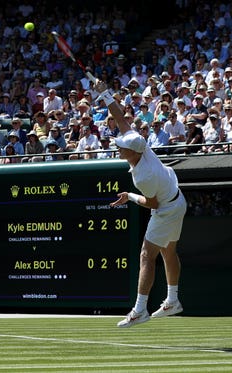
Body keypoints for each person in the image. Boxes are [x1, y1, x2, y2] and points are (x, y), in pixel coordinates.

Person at [95, 79, 187, 328]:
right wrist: (104, 93)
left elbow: (152, 202)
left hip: (166, 207)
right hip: (178, 200)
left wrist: (130, 196)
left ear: (134, 153)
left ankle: (140, 310)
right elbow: (120, 118)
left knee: (147, 255)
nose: (119, 150)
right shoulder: (137, 142)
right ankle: (173, 300)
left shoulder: (144, 176)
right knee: (168, 252)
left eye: (123, 149)